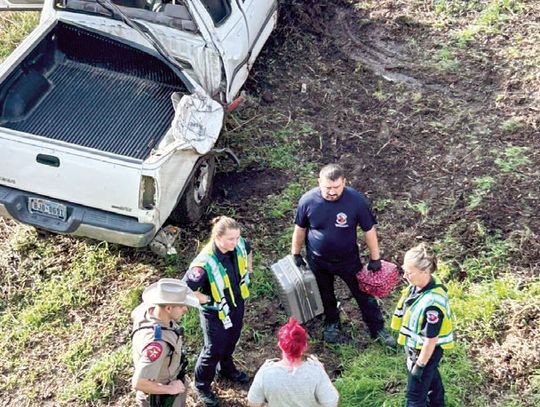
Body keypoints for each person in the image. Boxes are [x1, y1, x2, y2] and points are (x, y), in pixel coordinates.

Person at [291, 163, 395, 346]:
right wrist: (296, 253)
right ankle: (332, 323)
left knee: (364, 294)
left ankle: (377, 328)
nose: (332, 192)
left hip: (348, 260)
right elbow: (300, 228)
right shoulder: (307, 201)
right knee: (325, 294)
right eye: (327, 188)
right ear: (319, 182)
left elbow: (369, 230)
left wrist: (375, 258)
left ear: (344, 183)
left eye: (336, 188)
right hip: (318, 261)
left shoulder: (356, 201)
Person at [183, 216, 253, 407]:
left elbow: (248, 248)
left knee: (232, 338)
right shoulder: (204, 264)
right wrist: (207, 299)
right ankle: (202, 385)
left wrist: (249, 270)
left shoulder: (237, 245)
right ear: (217, 238)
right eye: (231, 239)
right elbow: (186, 288)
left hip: (236, 304)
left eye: (237, 238)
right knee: (213, 349)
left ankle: (226, 369)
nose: (236, 242)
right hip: (215, 313)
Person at [391, 243, 455, 407]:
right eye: (404, 270)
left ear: (425, 272)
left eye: (409, 272)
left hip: (424, 353)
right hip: (417, 350)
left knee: (414, 398)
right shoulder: (418, 286)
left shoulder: (432, 304)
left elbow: (430, 341)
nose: (405, 276)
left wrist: (419, 365)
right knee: (432, 383)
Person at [131, 278, 202, 407]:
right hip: (161, 398)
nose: (186, 309)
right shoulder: (158, 344)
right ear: (168, 308)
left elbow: (134, 313)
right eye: (181, 306)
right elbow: (139, 383)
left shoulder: (148, 309)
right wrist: (170, 389)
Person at [247, 317, 339, 407]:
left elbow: (253, 403)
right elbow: (331, 403)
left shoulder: (265, 373)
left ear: (280, 345)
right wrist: (322, 371)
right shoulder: (316, 372)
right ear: (305, 346)